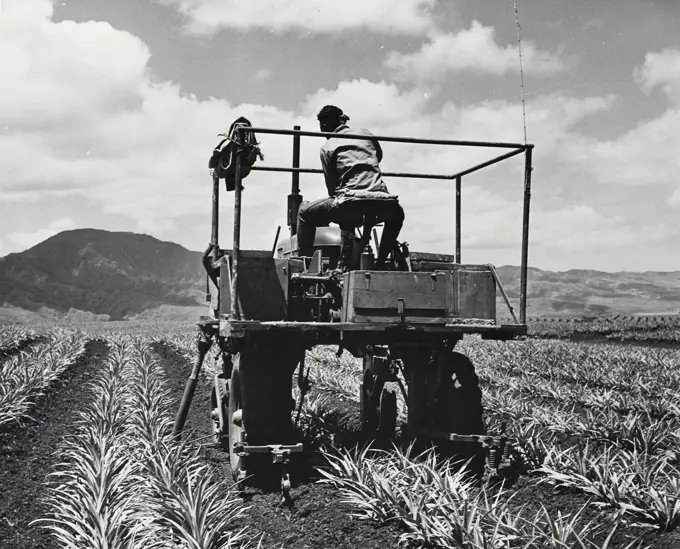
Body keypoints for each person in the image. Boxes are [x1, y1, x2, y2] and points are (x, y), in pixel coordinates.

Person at [296, 105, 405, 269]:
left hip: (349, 205)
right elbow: (378, 156)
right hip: (382, 203)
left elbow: (332, 187)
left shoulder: (327, 147)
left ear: (324, 127)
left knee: (304, 212)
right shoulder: (364, 133)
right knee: (398, 214)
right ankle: (381, 262)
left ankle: (302, 267)